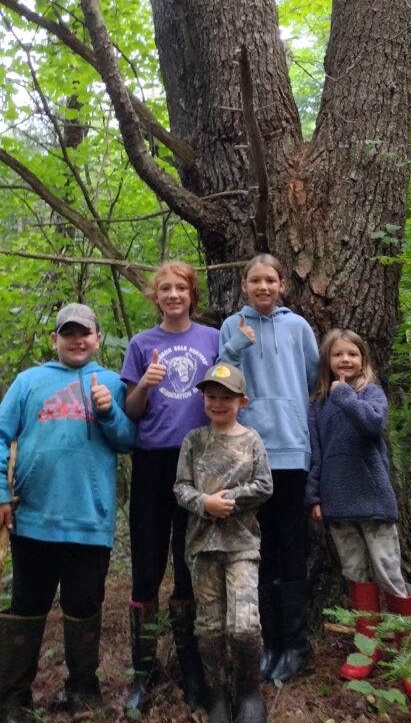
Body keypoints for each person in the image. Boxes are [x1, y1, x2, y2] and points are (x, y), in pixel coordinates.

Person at [0, 302, 135, 722]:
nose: (77, 340)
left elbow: (129, 440)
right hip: (34, 517)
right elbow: (1, 436)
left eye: (85, 332)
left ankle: (83, 689)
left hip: (89, 520)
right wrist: (2, 492)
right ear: (55, 339)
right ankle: (12, 697)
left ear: (97, 337)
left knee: (84, 605)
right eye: (68, 333)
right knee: (26, 605)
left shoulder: (111, 382)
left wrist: (110, 412)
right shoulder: (28, 382)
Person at [305, 327, 411, 699]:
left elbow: (372, 424)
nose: (346, 360)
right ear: (327, 362)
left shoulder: (368, 393)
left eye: (353, 355)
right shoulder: (319, 404)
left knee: (389, 572)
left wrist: (346, 394)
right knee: (355, 572)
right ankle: (367, 642)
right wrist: (314, 495)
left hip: (374, 503)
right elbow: (317, 454)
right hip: (337, 504)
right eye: (338, 355)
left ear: (363, 360)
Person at [122, 260, 219, 713]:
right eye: (166, 289)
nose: (174, 295)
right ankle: (142, 674)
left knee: (188, 563)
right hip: (152, 461)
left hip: (198, 461)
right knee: (146, 564)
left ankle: (191, 671)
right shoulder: (142, 345)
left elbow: (228, 396)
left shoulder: (212, 339)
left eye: (181, 288)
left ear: (191, 294)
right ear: (155, 296)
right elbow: (133, 410)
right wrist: (145, 382)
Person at [219, 253, 319, 683]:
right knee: (261, 546)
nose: (263, 287)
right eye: (255, 280)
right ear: (244, 285)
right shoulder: (231, 327)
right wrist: (238, 344)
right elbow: (222, 376)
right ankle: (269, 642)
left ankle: (295, 646)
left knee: (292, 544)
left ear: (282, 285)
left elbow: (314, 375)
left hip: (292, 449)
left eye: (270, 280)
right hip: (250, 453)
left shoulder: (297, 327)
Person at [174, 362, 273, 723]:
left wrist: (227, 499)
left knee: (244, 625)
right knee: (210, 626)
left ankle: (248, 691)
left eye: (226, 398)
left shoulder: (252, 440)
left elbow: (265, 486)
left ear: (241, 401)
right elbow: (181, 487)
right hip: (201, 547)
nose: (217, 403)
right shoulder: (194, 441)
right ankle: (217, 693)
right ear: (203, 399)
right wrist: (204, 504)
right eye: (211, 397)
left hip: (242, 545)